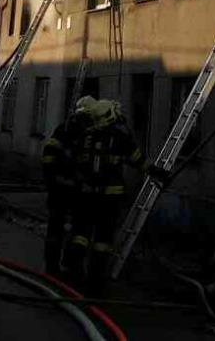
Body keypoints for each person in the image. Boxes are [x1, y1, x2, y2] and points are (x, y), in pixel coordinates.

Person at [68, 98, 144, 290]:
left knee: (81, 234)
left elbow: (74, 162)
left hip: (86, 196)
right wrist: (155, 171)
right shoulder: (119, 137)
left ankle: (74, 272)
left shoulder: (86, 136)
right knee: (103, 239)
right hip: (109, 198)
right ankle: (95, 279)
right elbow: (137, 159)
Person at [40, 96, 92, 274]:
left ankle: (54, 266)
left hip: (61, 190)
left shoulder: (63, 129)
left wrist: (51, 181)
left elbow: (48, 156)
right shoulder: (86, 133)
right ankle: (71, 266)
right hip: (71, 191)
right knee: (77, 229)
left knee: (58, 228)